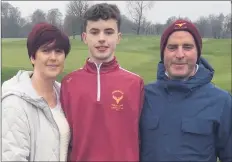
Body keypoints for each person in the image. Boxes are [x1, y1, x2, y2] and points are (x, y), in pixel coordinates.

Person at [60, 3, 144, 161]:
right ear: (85, 37)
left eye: (109, 32)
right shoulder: (69, 83)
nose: (101, 39)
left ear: (118, 37)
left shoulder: (135, 83)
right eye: (94, 32)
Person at [139, 19, 232, 162]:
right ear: (163, 53)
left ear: (198, 53)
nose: (180, 54)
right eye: (172, 47)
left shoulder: (221, 101)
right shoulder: (144, 96)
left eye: (187, 47)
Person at [2, 22, 71, 161]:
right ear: (33, 57)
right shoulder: (15, 104)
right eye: (46, 50)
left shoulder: (65, 96)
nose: (53, 57)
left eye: (58, 51)